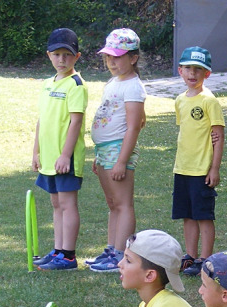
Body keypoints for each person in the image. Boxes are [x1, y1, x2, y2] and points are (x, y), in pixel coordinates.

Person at [87, 28, 147, 273]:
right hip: (105, 151)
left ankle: (122, 255)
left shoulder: (133, 86)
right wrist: (99, 155)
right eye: (108, 57)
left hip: (118, 150)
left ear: (132, 58)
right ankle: (112, 249)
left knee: (123, 204)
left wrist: (121, 160)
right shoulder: (113, 82)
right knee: (113, 204)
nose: (111, 62)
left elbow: (133, 127)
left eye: (117, 56)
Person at [32, 28, 88, 271]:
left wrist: (66, 154)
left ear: (76, 57)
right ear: (49, 55)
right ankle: (57, 250)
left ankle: (68, 256)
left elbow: (75, 121)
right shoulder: (47, 84)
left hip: (66, 159)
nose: (62, 59)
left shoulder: (76, 85)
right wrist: (36, 151)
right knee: (56, 205)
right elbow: (41, 120)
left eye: (67, 55)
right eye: (57, 54)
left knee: (67, 204)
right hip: (49, 157)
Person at [172, 46, 225, 277]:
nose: (192, 74)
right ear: (180, 71)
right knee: (187, 214)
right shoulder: (180, 100)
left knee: (204, 215)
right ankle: (190, 256)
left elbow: (218, 135)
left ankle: (205, 259)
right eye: (188, 69)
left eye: (198, 69)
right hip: (183, 168)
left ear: (207, 74)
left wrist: (214, 168)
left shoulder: (209, 101)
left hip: (202, 170)